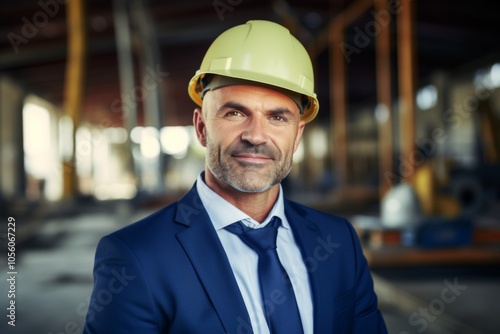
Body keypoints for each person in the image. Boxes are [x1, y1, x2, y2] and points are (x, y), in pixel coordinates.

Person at [83, 20, 387, 334]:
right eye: (235, 113)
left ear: (297, 136)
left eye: (277, 117)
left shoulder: (338, 241)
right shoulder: (135, 258)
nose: (256, 136)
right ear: (202, 127)